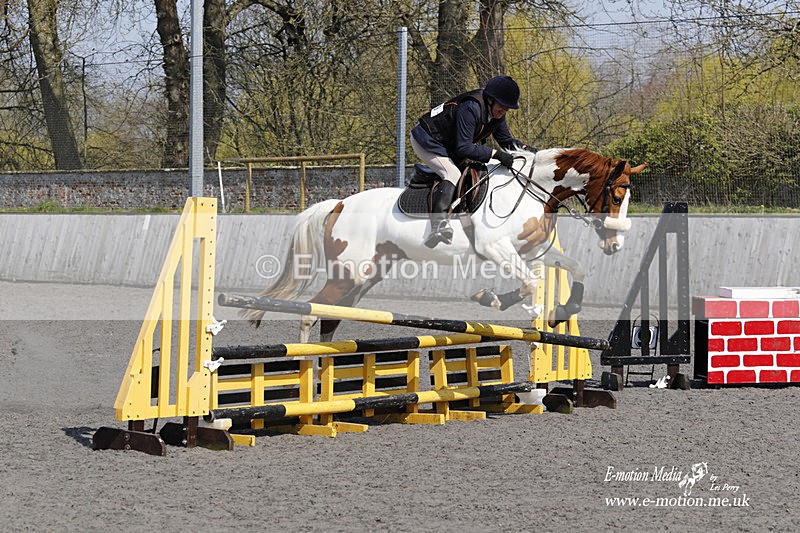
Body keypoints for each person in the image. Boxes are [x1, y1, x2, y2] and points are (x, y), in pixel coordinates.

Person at [411, 75, 527, 248]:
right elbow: (463, 148)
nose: (503, 112)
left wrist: (530, 152)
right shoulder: (471, 107)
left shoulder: (496, 114)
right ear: (490, 100)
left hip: (447, 144)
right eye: (502, 107)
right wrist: (495, 154)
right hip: (427, 139)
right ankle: (438, 226)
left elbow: (506, 141)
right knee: (452, 173)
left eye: (507, 109)